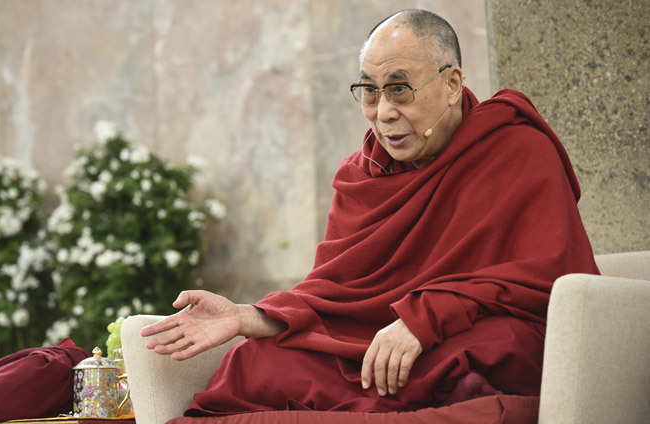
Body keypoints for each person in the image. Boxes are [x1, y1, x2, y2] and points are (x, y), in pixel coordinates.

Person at [140, 9, 598, 416]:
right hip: (374, 349)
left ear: (453, 83)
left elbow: (547, 281)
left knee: (503, 348)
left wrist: (426, 318)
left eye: (400, 91)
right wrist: (244, 316)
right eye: (370, 93)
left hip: (457, 339)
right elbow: (334, 296)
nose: (384, 114)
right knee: (255, 360)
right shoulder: (362, 176)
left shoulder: (516, 149)